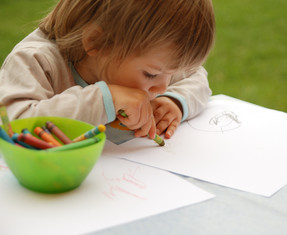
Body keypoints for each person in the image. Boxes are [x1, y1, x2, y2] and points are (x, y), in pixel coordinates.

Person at [0, 0, 215, 141]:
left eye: (171, 74)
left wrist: (174, 101)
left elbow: (197, 75)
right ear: (96, 43)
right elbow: (13, 126)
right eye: (151, 75)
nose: (162, 86)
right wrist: (105, 100)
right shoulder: (35, 60)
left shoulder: (153, 60)